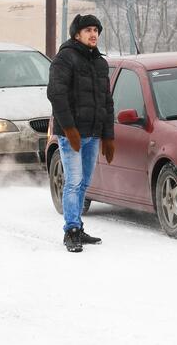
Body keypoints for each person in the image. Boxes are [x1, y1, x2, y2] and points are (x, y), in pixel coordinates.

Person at [47, 14, 115, 253]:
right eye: (88, 30)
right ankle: (71, 231)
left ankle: (78, 226)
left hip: (93, 133)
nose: (93, 34)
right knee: (73, 182)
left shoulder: (100, 63)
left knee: (84, 182)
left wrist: (108, 135)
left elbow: (107, 101)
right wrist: (69, 129)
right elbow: (56, 95)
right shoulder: (65, 58)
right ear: (77, 34)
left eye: (96, 29)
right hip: (71, 135)